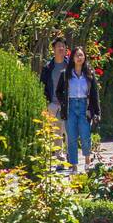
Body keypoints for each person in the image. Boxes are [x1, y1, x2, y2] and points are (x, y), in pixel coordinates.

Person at [56, 45, 100, 172]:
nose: (79, 58)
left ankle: (87, 163)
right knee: (72, 138)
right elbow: (58, 92)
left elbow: (94, 94)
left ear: (84, 57)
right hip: (70, 107)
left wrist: (96, 112)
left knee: (86, 136)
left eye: (81, 55)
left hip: (84, 107)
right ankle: (74, 166)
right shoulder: (65, 74)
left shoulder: (89, 74)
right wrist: (63, 103)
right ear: (72, 58)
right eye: (77, 55)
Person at [39, 36, 69, 168]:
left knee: (68, 131)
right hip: (53, 104)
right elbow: (42, 85)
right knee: (56, 132)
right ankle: (59, 159)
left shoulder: (70, 65)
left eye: (63, 46)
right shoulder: (48, 67)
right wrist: (46, 102)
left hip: (67, 104)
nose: (61, 48)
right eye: (58, 46)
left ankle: (70, 156)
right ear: (53, 49)